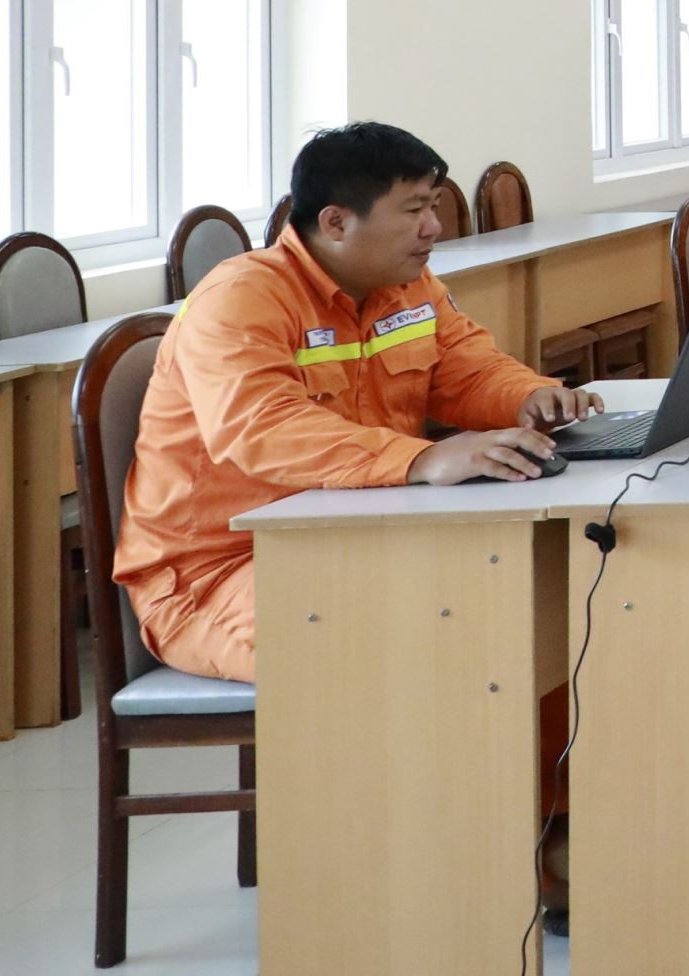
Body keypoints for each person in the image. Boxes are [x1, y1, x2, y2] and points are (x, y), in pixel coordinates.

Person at [115, 122, 600, 682]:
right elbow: (264, 428)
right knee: (406, 639)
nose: (434, 227)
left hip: (354, 533)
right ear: (336, 222)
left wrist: (529, 397)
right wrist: (422, 459)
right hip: (219, 571)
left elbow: (466, 367)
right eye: (414, 210)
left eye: (434, 206)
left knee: (530, 597)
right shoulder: (241, 299)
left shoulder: (407, 285)